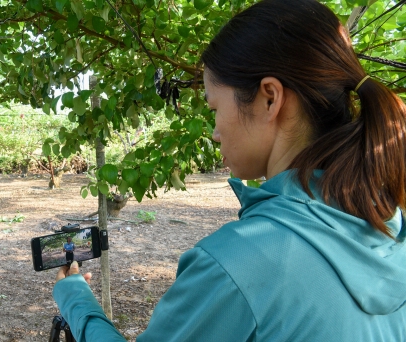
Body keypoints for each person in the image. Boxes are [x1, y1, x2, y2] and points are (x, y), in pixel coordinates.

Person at [51, 0, 406, 340]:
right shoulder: (391, 226)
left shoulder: (241, 262)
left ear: (270, 98)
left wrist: (74, 297)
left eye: (215, 108)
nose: (215, 131)